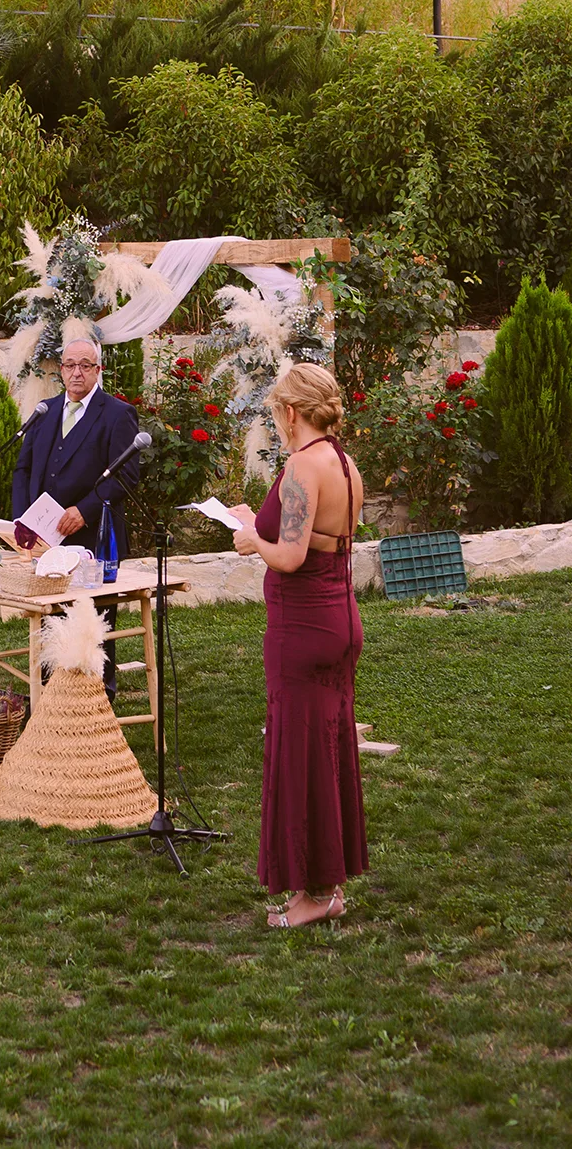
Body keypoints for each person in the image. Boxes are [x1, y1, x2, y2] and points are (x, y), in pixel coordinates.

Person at [231, 361, 368, 929]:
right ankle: (326, 887)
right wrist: (258, 522)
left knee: (302, 758)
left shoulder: (299, 466)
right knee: (328, 755)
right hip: (339, 620)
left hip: (302, 627)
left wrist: (251, 542)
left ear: (290, 412)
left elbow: (288, 556)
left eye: (276, 412)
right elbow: (321, 536)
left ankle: (315, 895)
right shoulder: (343, 462)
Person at [11, 325, 142, 558]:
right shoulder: (44, 411)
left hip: (94, 538)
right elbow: (23, 470)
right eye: (70, 365)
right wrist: (22, 521)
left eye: (85, 365)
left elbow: (125, 476)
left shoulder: (119, 414)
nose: (77, 373)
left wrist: (84, 511)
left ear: (97, 370)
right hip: (42, 540)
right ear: (62, 370)